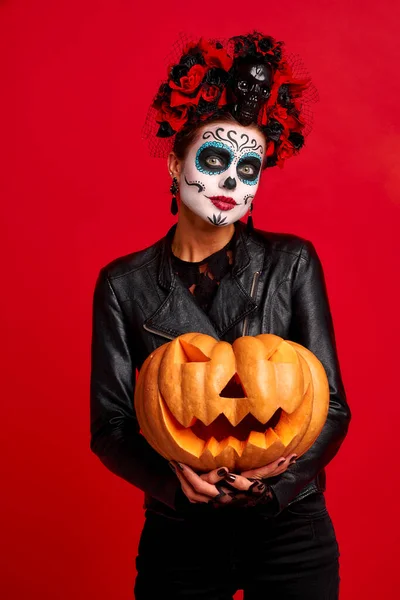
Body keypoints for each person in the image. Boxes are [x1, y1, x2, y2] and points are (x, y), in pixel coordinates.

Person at [90, 31, 352, 599]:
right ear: (174, 164)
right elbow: (110, 427)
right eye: (214, 159)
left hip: (290, 527)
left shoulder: (293, 262)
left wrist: (276, 487)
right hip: (180, 532)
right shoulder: (122, 284)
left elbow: (331, 406)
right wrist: (171, 482)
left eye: (249, 168)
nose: (233, 180)